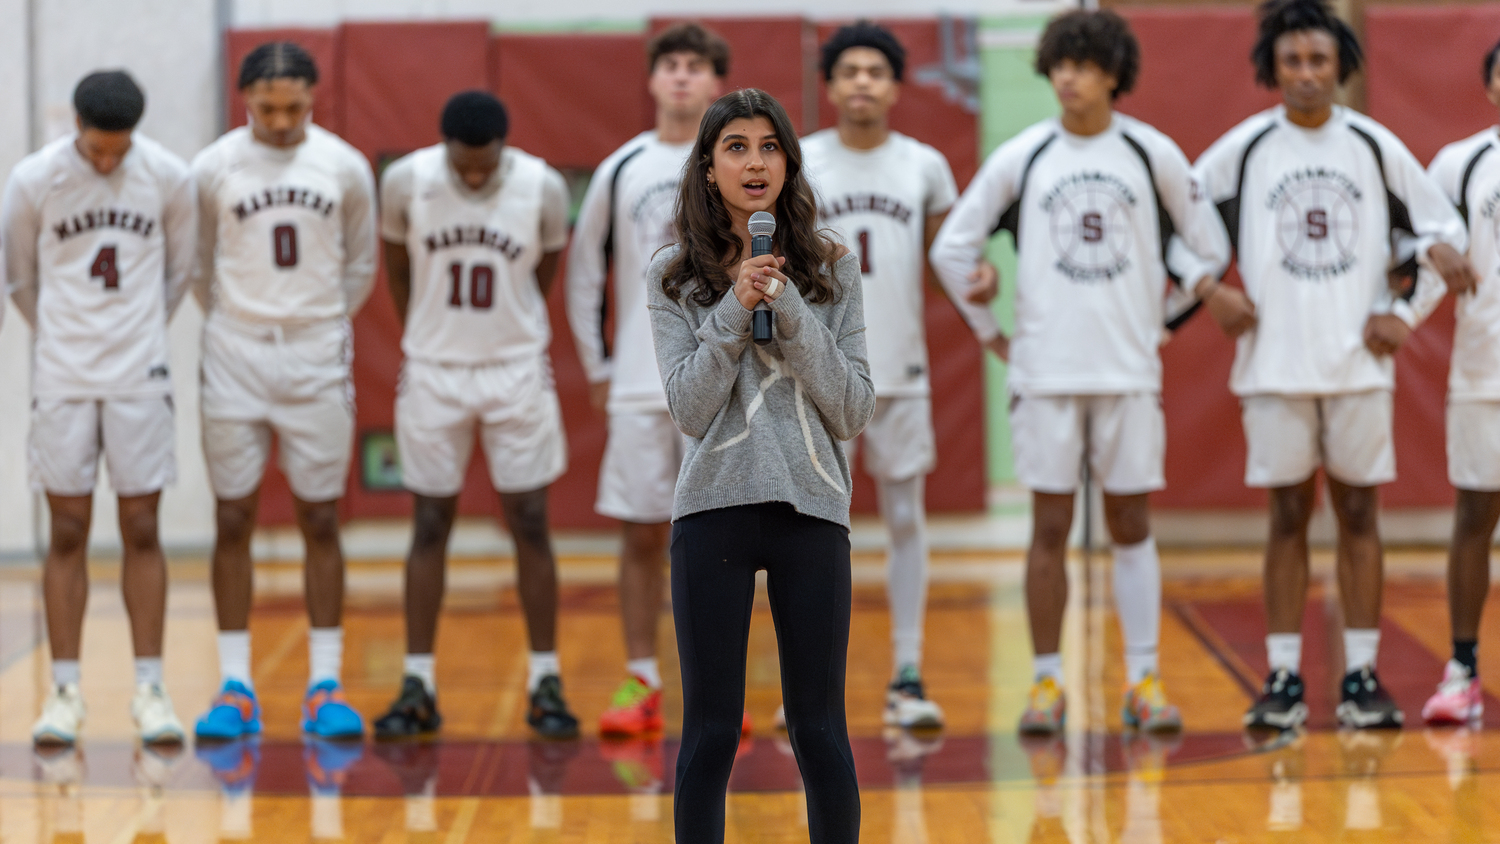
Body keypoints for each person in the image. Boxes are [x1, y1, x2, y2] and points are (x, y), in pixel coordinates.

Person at [930, 9, 1237, 736]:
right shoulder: (1024, 156)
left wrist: (1164, 315)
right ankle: (1046, 685)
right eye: (1060, 63)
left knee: (1132, 524)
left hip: (1129, 370)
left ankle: (1144, 680)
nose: (1068, 76)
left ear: (1112, 74)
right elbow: (951, 247)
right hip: (1044, 370)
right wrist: (987, 328)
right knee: (1050, 525)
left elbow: (1209, 248)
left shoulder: (1151, 153)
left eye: (1084, 63)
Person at [1193, 0, 1472, 731]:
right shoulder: (1244, 150)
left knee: (1358, 513)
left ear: (1341, 67)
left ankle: (1360, 675)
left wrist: (1404, 313)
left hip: (1357, 367)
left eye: (1320, 61)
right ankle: (1283, 674)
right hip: (1274, 367)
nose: (1307, 74)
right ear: (1272, 68)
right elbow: (1176, 223)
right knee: (1286, 516)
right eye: (1293, 61)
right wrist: (1209, 290)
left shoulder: (1375, 148)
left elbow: (1446, 237)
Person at [648, 88, 873, 844]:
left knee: (819, 731)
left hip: (812, 508)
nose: (754, 162)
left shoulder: (834, 267)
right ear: (709, 168)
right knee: (712, 733)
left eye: (769, 146)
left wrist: (793, 306)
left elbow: (850, 408)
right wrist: (735, 307)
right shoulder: (671, 275)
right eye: (736, 147)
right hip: (712, 508)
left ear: (789, 162)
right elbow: (688, 407)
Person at [802, 20, 1006, 731]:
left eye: (875, 71)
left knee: (905, 522)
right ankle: (810, 686)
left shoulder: (923, 165)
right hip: (819, 377)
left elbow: (951, 257)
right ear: (829, 86)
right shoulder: (799, 163)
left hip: (903, 373)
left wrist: (978, 278)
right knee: (815, 533)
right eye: (849, 70)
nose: (861, 81)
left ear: (894, 86)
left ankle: (908, 674)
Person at [372, 90, 578, 740]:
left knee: (531, 520)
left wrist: (500, 331)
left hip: (515, 368)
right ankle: (418, 681)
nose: (473, 176)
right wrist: (430, 334)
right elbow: (397, 266)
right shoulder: (406, 181)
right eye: (463, 165)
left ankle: (546, 677)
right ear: (446, 149)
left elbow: (545, 269)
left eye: (483, 166)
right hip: (434, 370)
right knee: (430, 522)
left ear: (502, 150)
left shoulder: (542, 185)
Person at [1, 69, 196, 746]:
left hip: (140, 373)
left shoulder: (170, 177)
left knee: (142, 524)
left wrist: (136, 332)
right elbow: (20, 278)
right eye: (97, 148)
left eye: (120, 148)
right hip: (64, 373)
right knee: (66, 531)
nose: (109, 159)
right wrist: (64, 336)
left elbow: (179, 273)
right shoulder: (33, 179)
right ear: (76, 126)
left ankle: (150, 687)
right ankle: (65, 691)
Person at [190, 41, 378, 741]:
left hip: (315, 352)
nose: (279, 120)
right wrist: (243, 319)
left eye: (293, 107)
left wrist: (314, 320)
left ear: (313, 97)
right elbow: (196, 267)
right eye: (265, 108)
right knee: (233, 517)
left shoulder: (344, 166)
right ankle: (234, 686)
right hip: (235, 349)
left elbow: (359, 265)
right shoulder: (212, 166)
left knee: (320, 518)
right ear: (244, 100)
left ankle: (323, 684)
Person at [565, 22, 731, 739]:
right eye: (671, 64)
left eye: (697, 66)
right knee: (640, 535)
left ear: (717, 82)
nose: (683, 77)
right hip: (639, 381)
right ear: (652, 78)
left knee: (724, 538)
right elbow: (582, 271)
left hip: (722, 383)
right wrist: (597, 364)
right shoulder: (622, 166)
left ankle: (719, 687)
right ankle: (644, 677)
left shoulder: (738, 159)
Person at [1419, 37, 1500, 725]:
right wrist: (1430, 246)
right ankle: (1463, 671)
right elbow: (1410, 238)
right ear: (1492, 86)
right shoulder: (1461, 162)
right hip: (1485, 371)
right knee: (1475, 516)